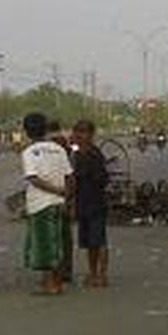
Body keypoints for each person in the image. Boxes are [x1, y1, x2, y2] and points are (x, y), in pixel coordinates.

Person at [22, 112, 73, 295]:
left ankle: (52, 286)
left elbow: (33, 179)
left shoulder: (29, 152)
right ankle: (55, 282)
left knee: (44, 246)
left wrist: (56, 190)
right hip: (59, 203)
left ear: (26, 131)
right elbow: (69, 176)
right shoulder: (59, 149)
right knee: (57, 243)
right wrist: (65, 195)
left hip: (41, 204)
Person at [72, 120, 110, 287]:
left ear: (91, 135)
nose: (80, 135)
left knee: (99, 241)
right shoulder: (77, 155)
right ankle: (92, 272)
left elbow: (103, 180)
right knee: (88, 243)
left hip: (96, 203)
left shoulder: (95, 155)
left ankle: (102, 275)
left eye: (83, 132)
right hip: (82, 203)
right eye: (78, 132)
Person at [47, 119, 74, 283]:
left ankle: (53, 272)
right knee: (64, 235)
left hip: (49, 193)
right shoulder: (65, 144)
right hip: (64, 191)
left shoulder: (46, 144)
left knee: (50, 235)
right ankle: (66, 270)